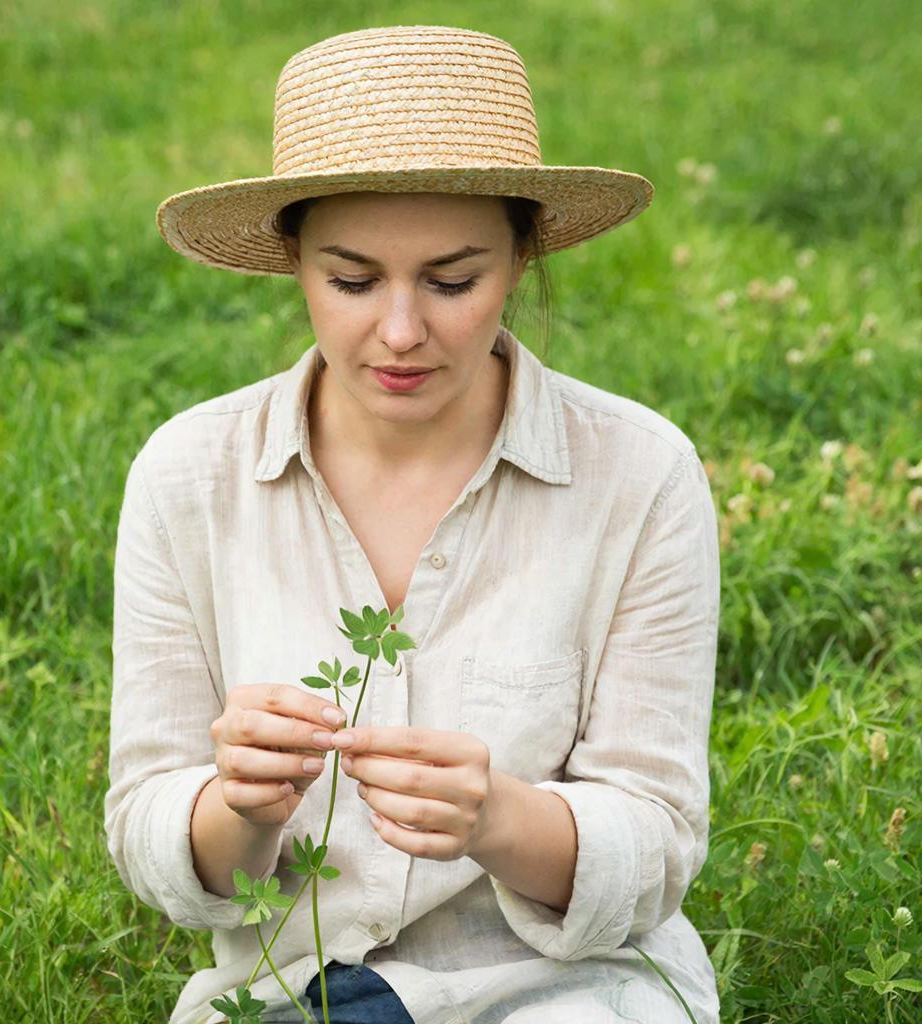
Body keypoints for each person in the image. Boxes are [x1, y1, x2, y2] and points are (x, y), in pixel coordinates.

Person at [104, 24, 722, 1024]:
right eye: (350, 281)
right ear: (292, 261)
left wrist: (499, 818)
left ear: (522, 255)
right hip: (286, 987)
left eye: (450, 280)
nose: (399, 332)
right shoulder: (189, 478)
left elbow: (653, 844)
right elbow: (147, 828)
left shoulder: (639, 476)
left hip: (564, 991)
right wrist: (239, 808)